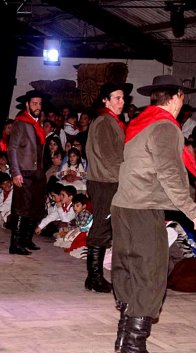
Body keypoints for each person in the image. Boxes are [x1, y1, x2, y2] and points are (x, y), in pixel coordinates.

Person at [111, 75, 196, 353]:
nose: (183, 102)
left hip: (124, 205)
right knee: (151, 273)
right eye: (183, 97)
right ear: (176, 97)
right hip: (143, 207)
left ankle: (124, 338)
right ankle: (133, 346)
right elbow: (169, 173)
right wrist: (192, 210)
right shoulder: (165, 127)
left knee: (129, 270)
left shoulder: (140, 123)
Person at [84, 83, 127, 294]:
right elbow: (110, 156)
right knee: (101, 226)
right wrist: (128, 174)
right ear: (105, 100)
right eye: (117, 98)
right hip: (104, 182)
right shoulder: (104, 122)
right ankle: (94, 277)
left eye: (123, 98)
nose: (122, 102)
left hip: (109, 180)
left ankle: (94, 276)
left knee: (105, 226)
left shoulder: (112, 121)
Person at [8, 89, 48, 255]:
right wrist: (15, 172)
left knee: (36, 208)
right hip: (24, 172)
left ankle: (26, 239)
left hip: (37, 172)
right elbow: (12, 149)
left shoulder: (38, 124)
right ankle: (15, 244)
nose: (37, 106)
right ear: (27, 105)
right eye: (34, 103)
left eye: (39, 103)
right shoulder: (21, 123)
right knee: (21, 208)